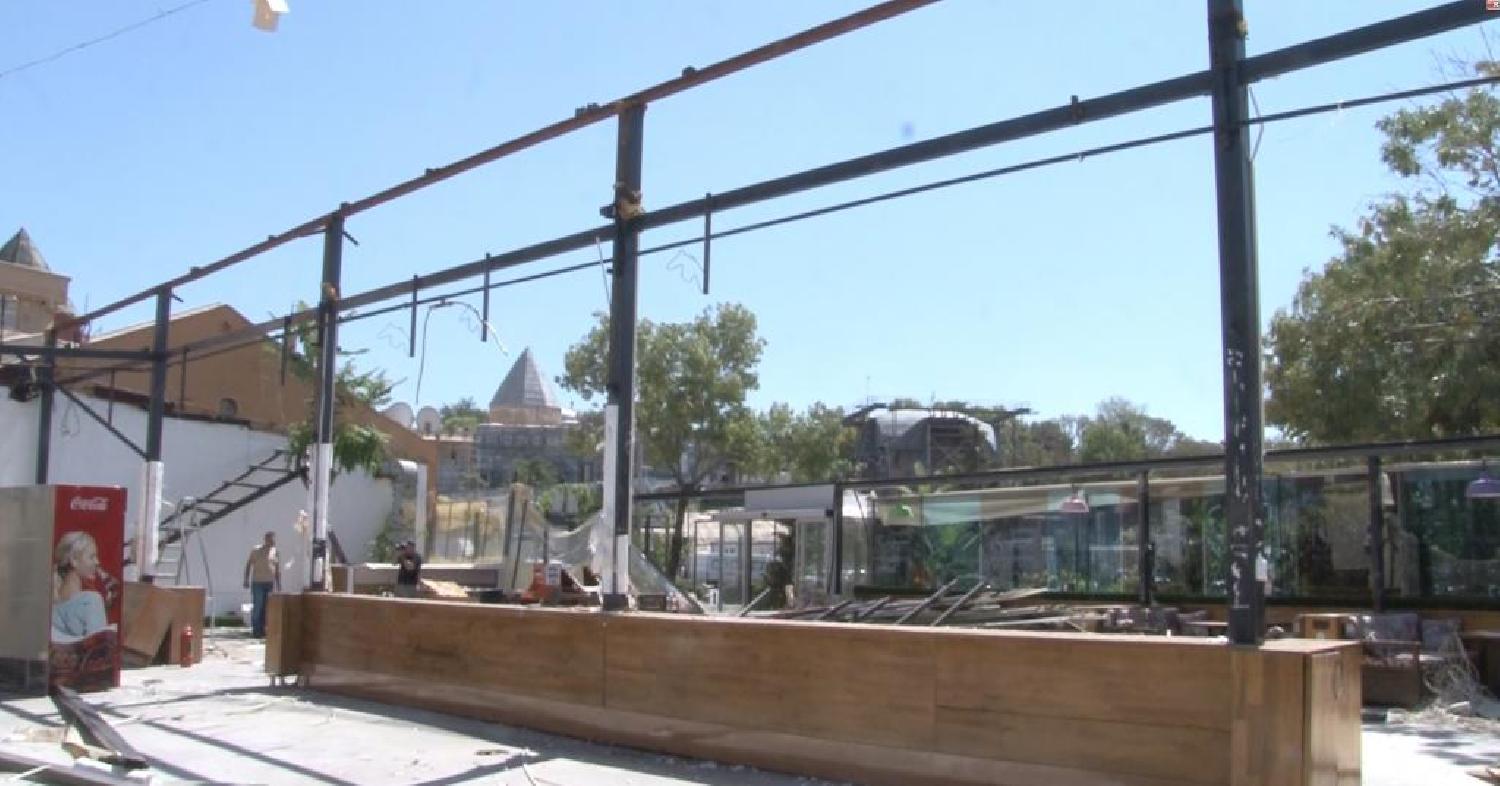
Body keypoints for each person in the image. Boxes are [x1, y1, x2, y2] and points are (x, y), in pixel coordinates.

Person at [52, 531, 115, 640]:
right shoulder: (91, 600)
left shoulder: (52, 606)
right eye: (92, 557)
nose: (97, 562)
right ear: (74, 560)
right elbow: (99, 646)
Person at [243, 531, 280, 638]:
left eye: (273, 539)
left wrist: (278, 584)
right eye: (270, 539)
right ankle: (256, 631)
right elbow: (248, 565)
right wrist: (246, 579)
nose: (272, 541)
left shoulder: (275, 551)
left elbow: (277, 568)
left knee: (266, 608)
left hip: (269, 583)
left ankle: (263, 630)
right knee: (258, 606)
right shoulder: (256, 550)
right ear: (266, 539)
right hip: (258, 582)